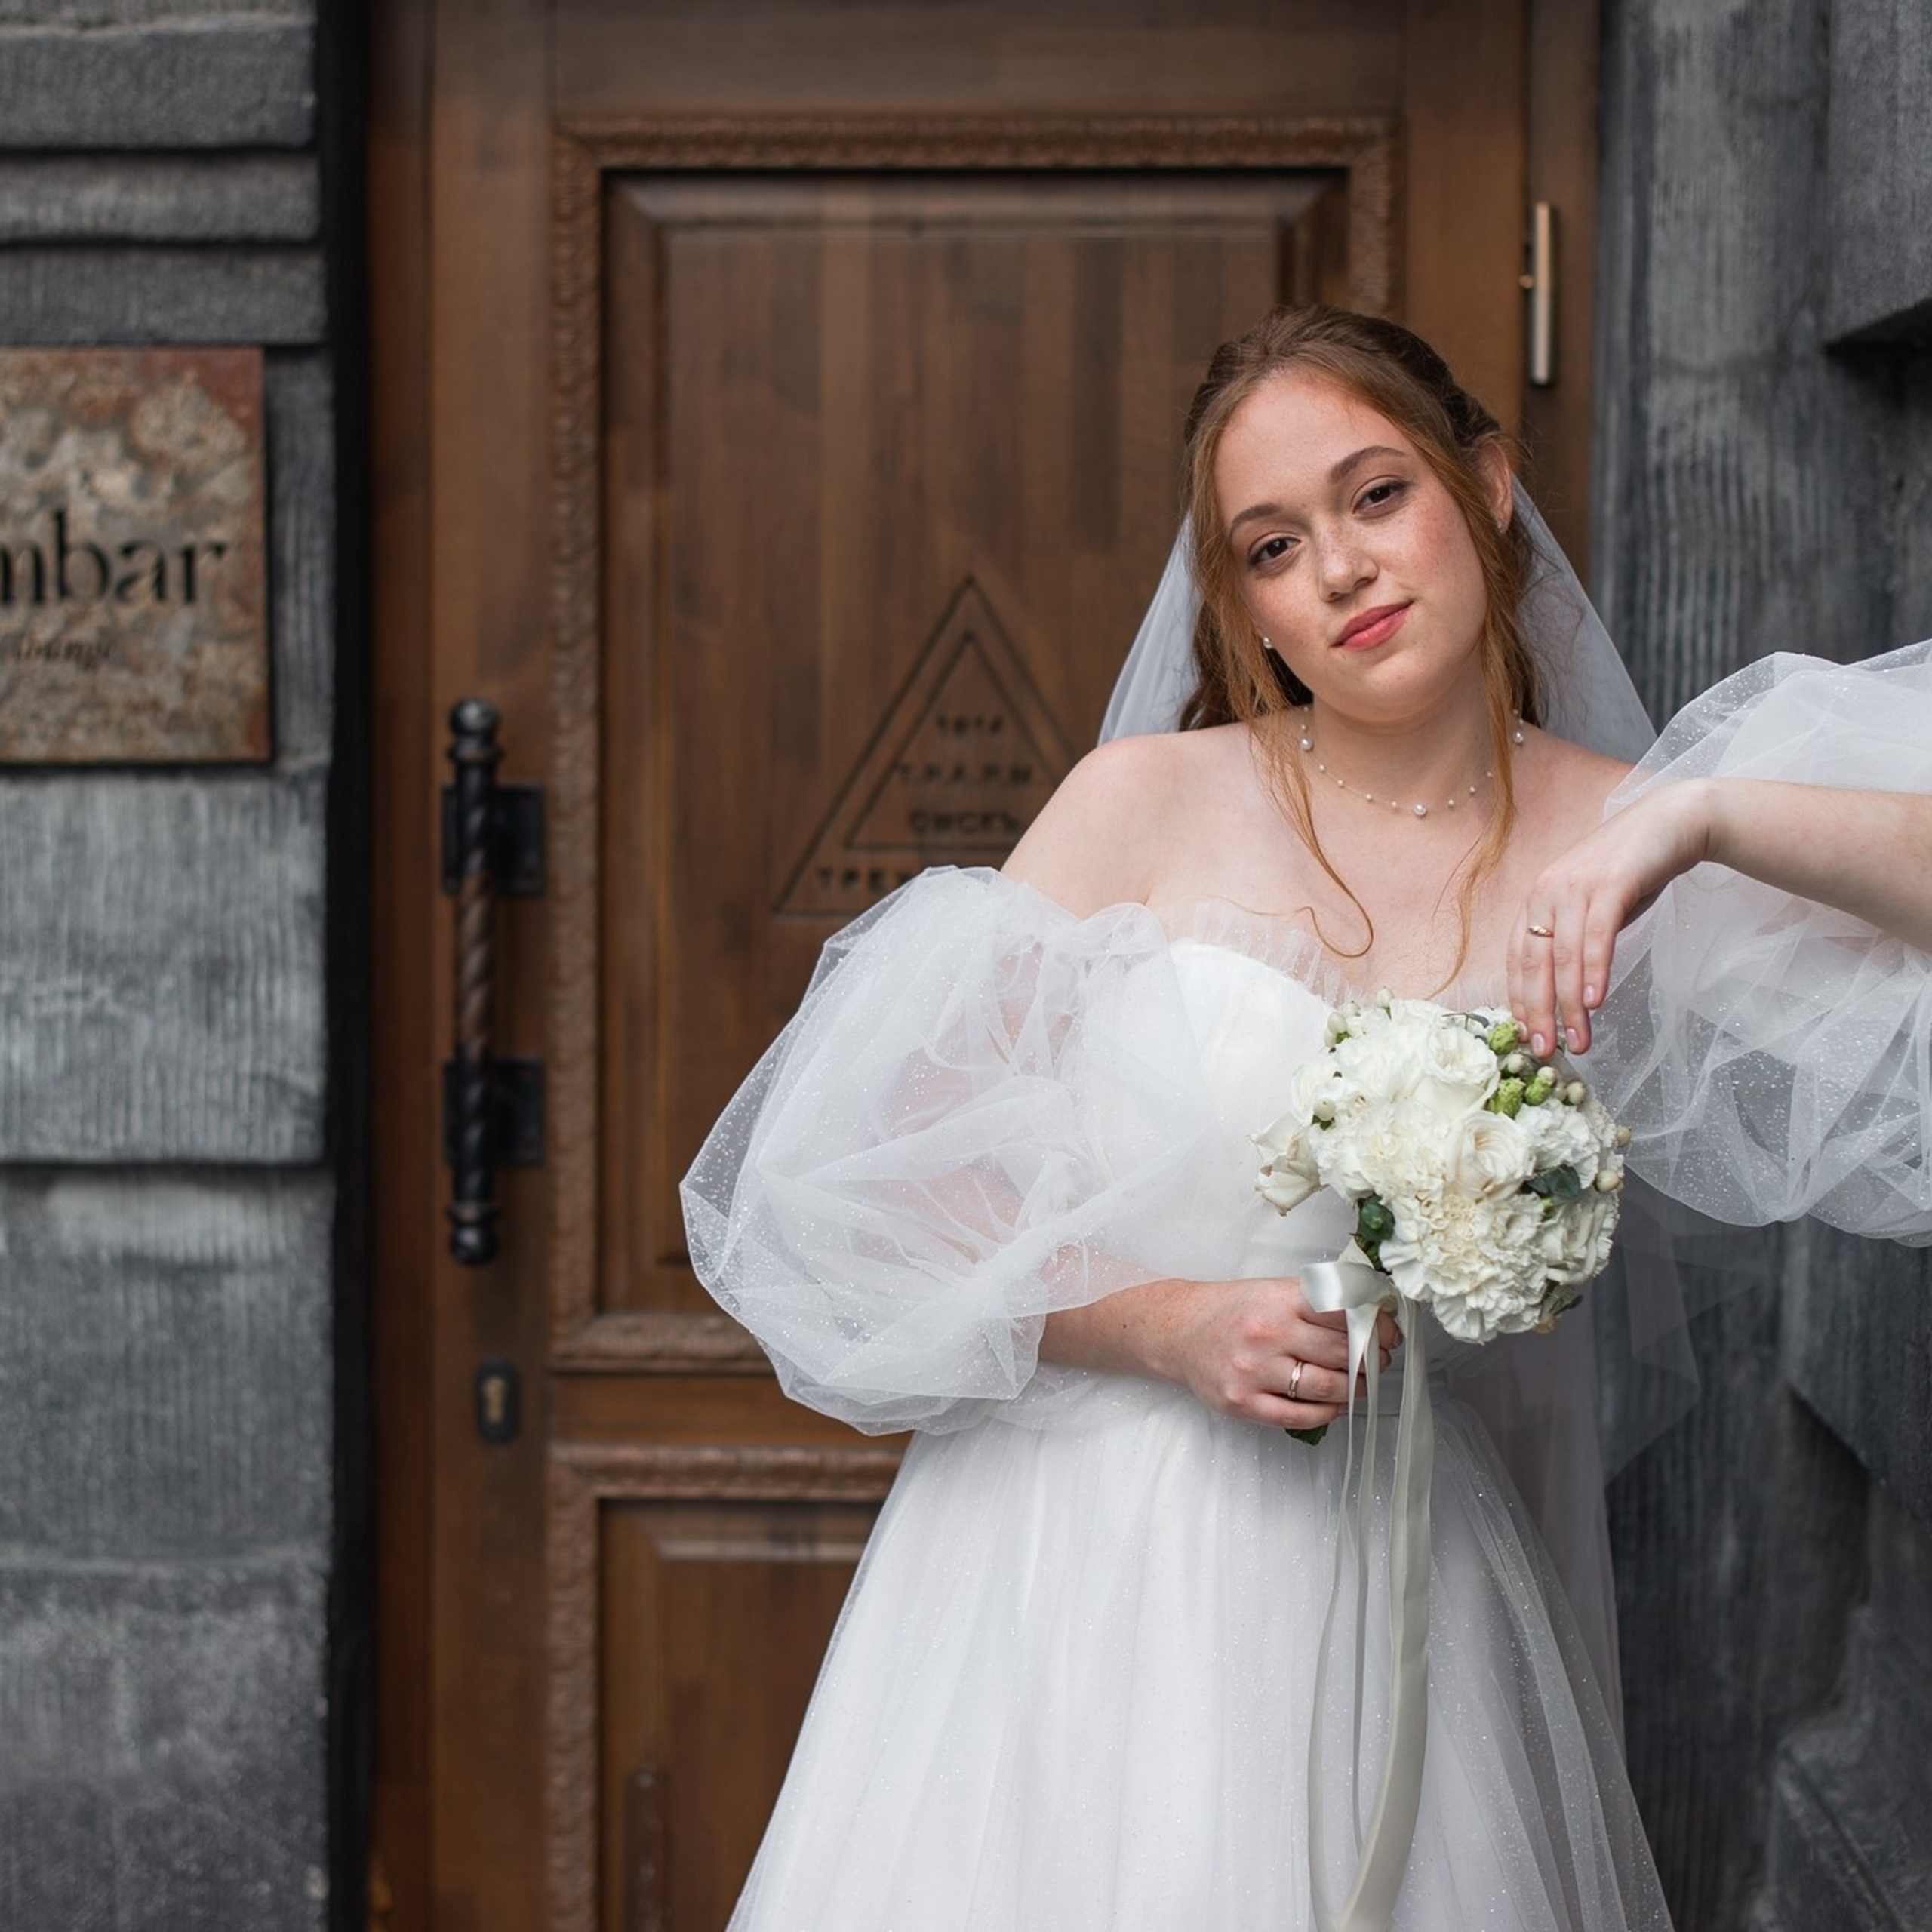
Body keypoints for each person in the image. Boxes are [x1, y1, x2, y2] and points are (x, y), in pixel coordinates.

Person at [681, 305, 1932, 1931]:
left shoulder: (1619, 846)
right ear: (1240, 604)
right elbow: (846, 1192)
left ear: (1482, 486)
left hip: (1394, 1554)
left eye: (1373, 495)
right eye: (1272, 545)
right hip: (1069, 1562)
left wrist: (1692, 816)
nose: (1336, 569)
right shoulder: (1141, 802)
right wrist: (1167, 1325)